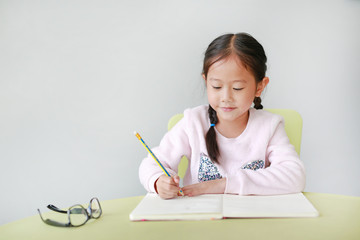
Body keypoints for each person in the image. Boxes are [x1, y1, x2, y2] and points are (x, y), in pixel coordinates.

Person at [139, 32, 305, 199]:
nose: (226, 97)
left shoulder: (269, 126)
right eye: (217, 87)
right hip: (200, 219)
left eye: (237, 88)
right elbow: (151, 164)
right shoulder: (193, 123)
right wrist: (158, 181)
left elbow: (294, 176)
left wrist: (222, 184)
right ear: (206, 82)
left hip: (252, 219)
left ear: (259, 87)